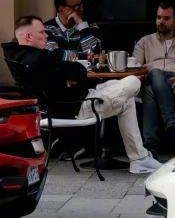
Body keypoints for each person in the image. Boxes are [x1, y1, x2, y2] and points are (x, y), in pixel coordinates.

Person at [4, 16, 159, 174]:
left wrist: (69, 77)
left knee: (123, 96)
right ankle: (140, 159)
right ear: (28, 36)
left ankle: (139, 159)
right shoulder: (40, 58)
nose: (46, 36)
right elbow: (78, 71)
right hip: (78, 107)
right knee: (133, 81)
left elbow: (69, 72)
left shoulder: (15, 55)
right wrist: (71, 75)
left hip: (73, 101)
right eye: (42, 32)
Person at [132, 2, 175, 154]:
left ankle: (150, 150)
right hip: (151, 79)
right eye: (159, 17)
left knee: (150, 90)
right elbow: (134, 68)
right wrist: (144, 75)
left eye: (166, 18)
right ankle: (171, 121)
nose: (161, 21)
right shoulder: (145, 41)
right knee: (154, 75)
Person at [44, 0, 104, 66]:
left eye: (81, 4)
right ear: (62, 9)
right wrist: (84, 57)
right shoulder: (47, 28)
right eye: (76, 6)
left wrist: (81, 25)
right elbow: (52, 55)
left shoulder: (90, 26)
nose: (81, 9)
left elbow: (96, 56)